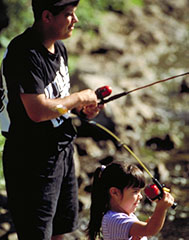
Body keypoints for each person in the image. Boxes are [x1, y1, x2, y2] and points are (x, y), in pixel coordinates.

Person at [0, 0, 104, 239]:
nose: (75, 20)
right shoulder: (24, 52)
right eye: (69, 15)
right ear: (47, 16)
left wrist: (80, 109)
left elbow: (58, 101)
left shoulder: (59, 48)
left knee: (61, 230)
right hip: (31, 160)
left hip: (61, 152)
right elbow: (37, 110)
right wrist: (78, 97)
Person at [87, 161, 174, 240]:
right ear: (114, 192)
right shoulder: (114, 219)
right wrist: (161, 208)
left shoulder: (124, 216)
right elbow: (149, 230)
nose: (140, 197)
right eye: (135, 191)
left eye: (140, 191)